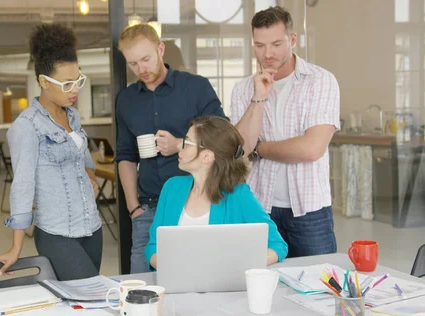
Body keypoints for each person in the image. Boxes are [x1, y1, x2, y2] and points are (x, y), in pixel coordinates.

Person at [0, 24, 102, 281]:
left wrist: (90, 177)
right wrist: (16, 247)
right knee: (87, 293)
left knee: (82, 303)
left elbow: (83, 157)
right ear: (43, 81)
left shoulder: (72, 116)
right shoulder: (27, 126)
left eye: (77, 81)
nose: (74, 90)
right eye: (66, 84)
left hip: (92, 228)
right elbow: (22, 187)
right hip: (57, 233)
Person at [115, 23, 226, 273]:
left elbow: (223, 137)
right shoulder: (126, 100)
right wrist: (134, 207)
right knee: (140, 288)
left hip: (195, 204)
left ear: (161, 49)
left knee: (194, 278)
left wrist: (179, 144)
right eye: (133, 63)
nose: (140, 69)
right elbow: (125, 156)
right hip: (147, 210)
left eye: (145, 59)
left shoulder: (196, 88)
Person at [230, 6, 340, 258]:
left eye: (276, 44)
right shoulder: (243, 89)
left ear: (292, 40)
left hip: (310, 211)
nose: (267, 54)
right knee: (258, 285)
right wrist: (258, 98)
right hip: (259, 208)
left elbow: (312, 149)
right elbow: (241, 150)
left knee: (318, 288)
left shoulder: (321, 81)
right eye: (259, 45)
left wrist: (261, 148)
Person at [144, 116, 288, 270]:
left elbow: (278, 245)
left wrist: (237, 267)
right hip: (175, 287)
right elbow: (153, 247)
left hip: (223, 290)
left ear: (206, 156)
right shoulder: (171, 188)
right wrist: (173, 268)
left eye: (186, 143)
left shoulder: (238, 195)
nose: (180, 147)